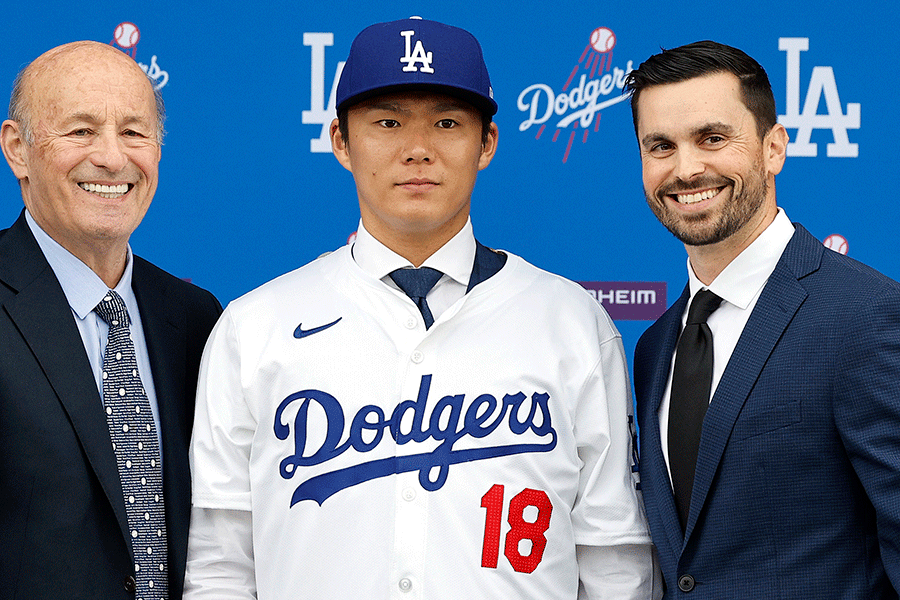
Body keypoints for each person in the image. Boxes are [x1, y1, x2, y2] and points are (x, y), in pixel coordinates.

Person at [185, 17, 658, 600]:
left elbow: (615, 562)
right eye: (387, 122)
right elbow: (221, 564)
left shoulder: (572, 322)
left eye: (447, 123)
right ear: (341, 140)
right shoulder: (255, 326)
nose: (417, 149)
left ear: (486, 143)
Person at [625, 40, 900, 598]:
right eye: (661, 146)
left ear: (773, 148)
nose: (686, 168)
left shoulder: (866, 316)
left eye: (712, 138)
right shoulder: (655, 345)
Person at [0, 41, 222, 599]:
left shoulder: (195, 319)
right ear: (17, 149)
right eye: (80, 131)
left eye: (133, 132)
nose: (112, 158)